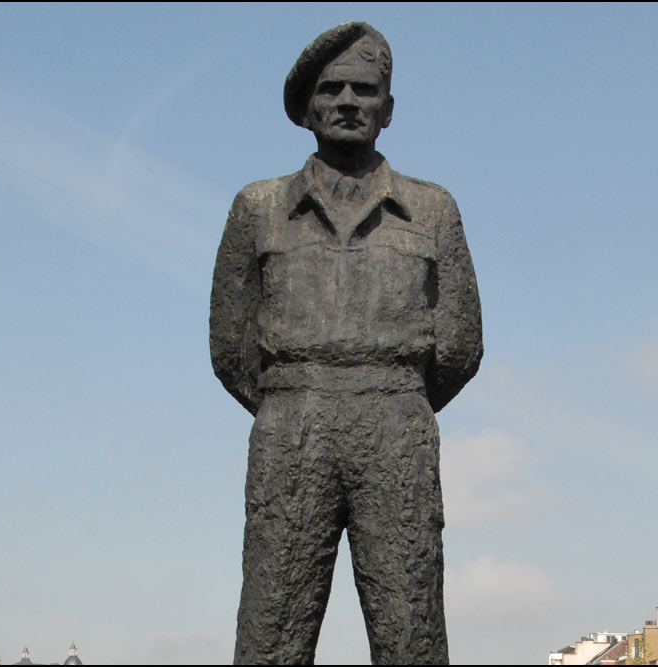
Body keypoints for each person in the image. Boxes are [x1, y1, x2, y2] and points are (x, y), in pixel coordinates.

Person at [210, 21, 483, 665]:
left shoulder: (434, 209)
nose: (348, 102)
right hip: (290, 424)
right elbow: (230, 345)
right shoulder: (259, 207)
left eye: (365, 90)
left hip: (397, 426)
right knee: (271, 631)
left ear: (388, 109)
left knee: (410, 631)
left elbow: (461, 344)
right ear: (306, 107)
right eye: (331, 89)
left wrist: (390, 393)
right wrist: (295, 394)